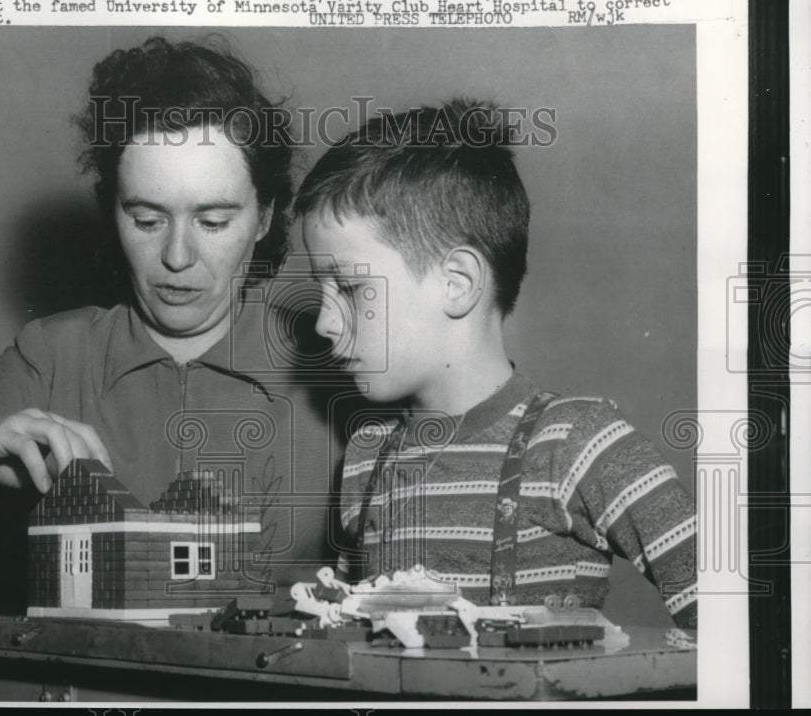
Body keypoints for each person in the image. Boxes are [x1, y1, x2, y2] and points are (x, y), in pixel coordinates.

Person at [0, 37, 348, 617]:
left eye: (213, 221)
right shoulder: (56, 355)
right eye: (146, 218)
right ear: (111, 211)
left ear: (263, 217)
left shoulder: (340, 364)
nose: (177, 256)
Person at [294, 99, 698, 629]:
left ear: (457, 283)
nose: (324, 322)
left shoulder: (577, 444)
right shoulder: (366, 456)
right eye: (321, 290)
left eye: (348, 287)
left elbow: (738, 618)